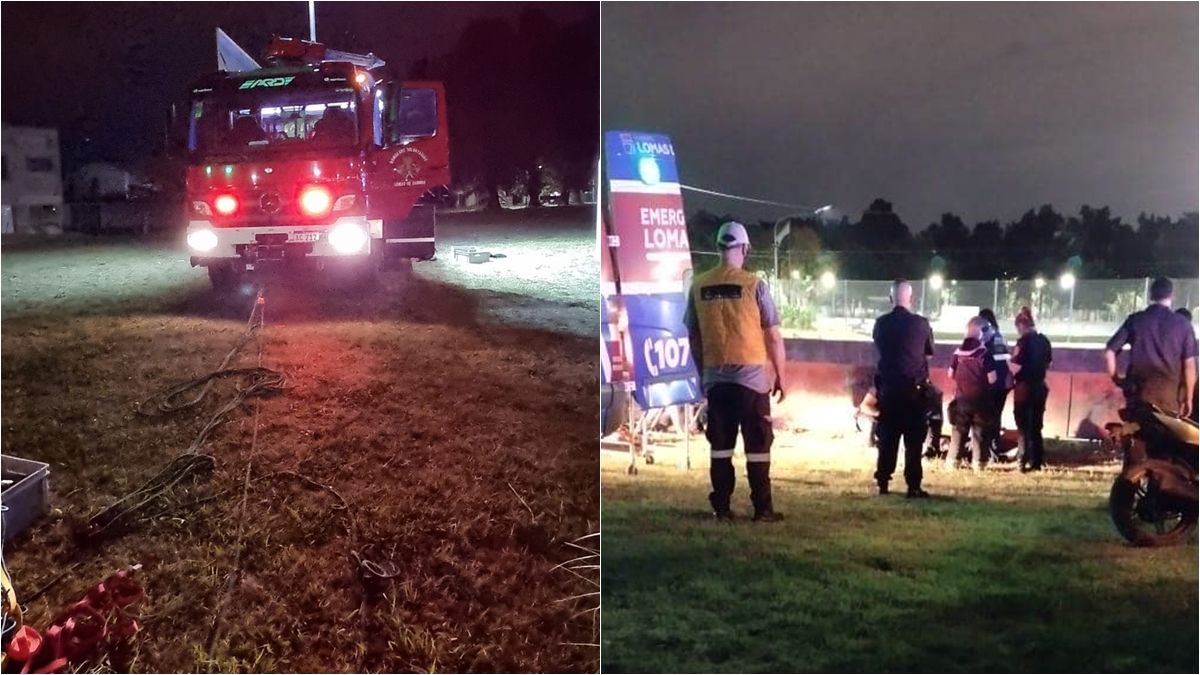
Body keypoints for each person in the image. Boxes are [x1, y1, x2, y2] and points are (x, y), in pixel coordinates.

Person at [684, 221, 787, 522]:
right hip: (752, 382)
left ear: (718, 248)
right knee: (758, 446)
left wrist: (702, 374)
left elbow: (693, 336)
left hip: (716, 380)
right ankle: (762, 509)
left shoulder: (698, 286)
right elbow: (774, 335)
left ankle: (721, 507)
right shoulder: (755, 285)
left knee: (720, 447)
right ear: (744, 249)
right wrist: (781, 375)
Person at [1105, 277, 1198, 426]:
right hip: (1168, 396)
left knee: (1138, 433)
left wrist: (1117, 379)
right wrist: (1188, 398)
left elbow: (1109, 351)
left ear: (1151, 295)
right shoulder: (1183, 325)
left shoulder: (1135, 320)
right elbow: (1190, 366)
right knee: (1165, 436)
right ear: (1172, 295)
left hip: (1138, 393)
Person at [871, 280, 934, 497]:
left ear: (891, 298)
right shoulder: (922, 324)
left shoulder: (881, 324)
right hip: (914, 391)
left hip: (889, 389)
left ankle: (883, 482)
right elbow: (928, 353)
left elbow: (879, 348)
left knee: (887, 438)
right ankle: (913, 486)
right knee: (914, 441)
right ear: (911, 298)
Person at [945, 317, 997, 471]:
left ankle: (952, 462)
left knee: (959, 431)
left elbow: (950, 374)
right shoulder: (984, 353)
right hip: (980, 400)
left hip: (961, 399)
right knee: (979, 432)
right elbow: (992, 379)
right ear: (981, 333)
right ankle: (979, 464)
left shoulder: (958, 353)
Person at [1009, 306, 1053, 471]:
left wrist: (1007, 362)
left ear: (1021, 326)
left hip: (1024, 388)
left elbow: (1016, 367)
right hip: (1040, 387)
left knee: (1023, 426)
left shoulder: (1023, 342)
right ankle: (1037, 461)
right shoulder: (1044, 340)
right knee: (1036, 426)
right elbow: (1049, 363)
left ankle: (1022, 460)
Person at [978, 308, 1013, 460]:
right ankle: (992, 448)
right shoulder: (1000, 337)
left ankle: (990, 451)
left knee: (990, 417)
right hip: (1002, 383)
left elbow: (991, 361)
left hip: (994, 384)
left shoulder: (990, 337)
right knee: (995, 416)